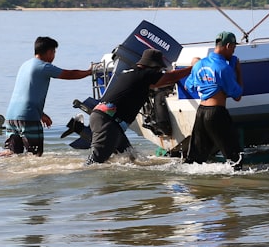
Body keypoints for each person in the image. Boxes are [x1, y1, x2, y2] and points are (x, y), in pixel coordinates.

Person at [86, 48, 193, 165]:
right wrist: (193, 68)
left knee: (131, 158)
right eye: (158, 70)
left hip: (106, 119)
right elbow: (170, 77)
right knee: (94, 162)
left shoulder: (131, 73)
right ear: (153, 67)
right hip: (108, 122)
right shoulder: (145, 74)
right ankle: (79, 174)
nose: (159, 72)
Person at [1, 36, 93, 156]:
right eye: (54, 52)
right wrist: (89, 72)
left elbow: (26, 93)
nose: (54, 56)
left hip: (11, 118)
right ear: (49, 52)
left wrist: (41, 114)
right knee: (35, 155)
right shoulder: (43, 66)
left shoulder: (25, 65)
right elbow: (69, 74)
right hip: (29, 118)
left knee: (12, 154)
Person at [184, 31, 244, 168]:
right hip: (217, 113)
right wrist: (238, 71)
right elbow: (237, 96)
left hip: (201, 112)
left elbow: (189, 87)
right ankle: (236, 187)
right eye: (234, 47)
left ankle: (191, 187)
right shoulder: (224, 68)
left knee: (194, 160)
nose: (234, 51)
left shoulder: (199, 65)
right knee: (235, 158)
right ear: (228, 45)